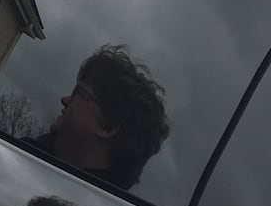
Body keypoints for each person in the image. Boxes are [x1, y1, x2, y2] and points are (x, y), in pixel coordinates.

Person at [31, 45, 170, 188]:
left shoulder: (37, 179)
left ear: (107, 127)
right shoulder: (31, 157)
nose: (64, 100)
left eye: (77, 93)